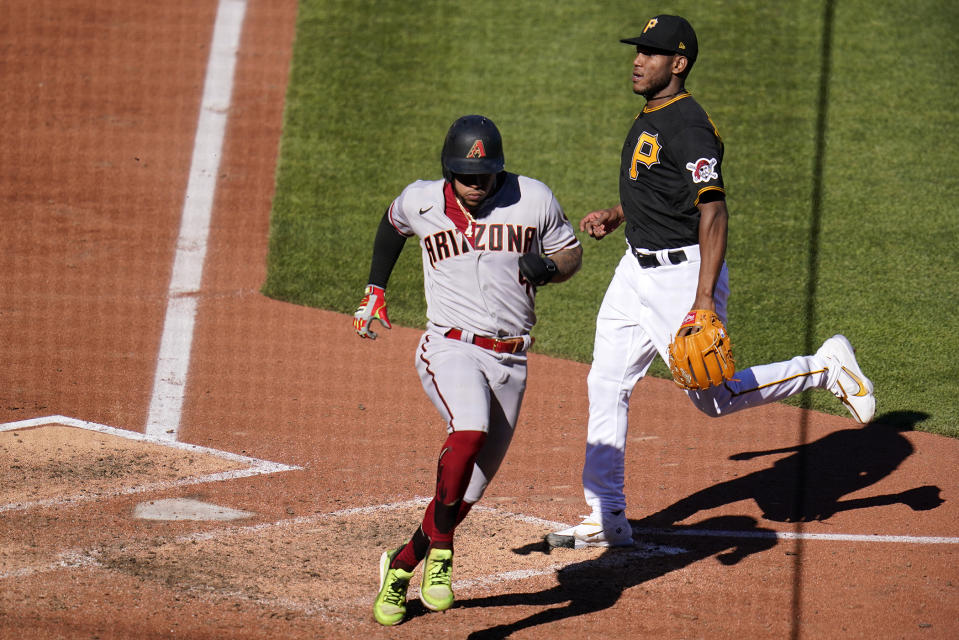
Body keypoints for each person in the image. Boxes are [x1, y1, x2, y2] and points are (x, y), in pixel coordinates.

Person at [546, 15, 875, 550]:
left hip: (681, 277)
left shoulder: (690, 126)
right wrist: (618, 213)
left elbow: (714, 212)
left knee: (713, 399)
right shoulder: (654, 111)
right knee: (606, 383)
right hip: (634, 271)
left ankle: (823, 367)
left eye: (650, 53)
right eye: (638, 50)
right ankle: (606, 513)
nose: (637, 60)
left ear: (678, 63)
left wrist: (703, 302)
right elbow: (662, 188)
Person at [354, 115, 583, 625]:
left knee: (465, 494)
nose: (477, 186)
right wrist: (376, 288)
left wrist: (548, 269)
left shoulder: (534, 198)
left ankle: (400, 565)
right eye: (467, 177)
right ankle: (442, 555)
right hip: (449, 346)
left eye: (486, 177)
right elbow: (392, 225)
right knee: (470, 426)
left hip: (512, 360)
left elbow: (571, 254)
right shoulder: (421, 200)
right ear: (448, 170)